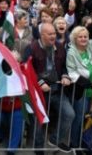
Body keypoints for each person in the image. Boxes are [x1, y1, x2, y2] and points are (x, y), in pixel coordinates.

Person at [26, 23, 74, 153]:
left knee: (69, 114)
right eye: (50, 34)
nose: (54, 36)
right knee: (38, 122)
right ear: (42, 35)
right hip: (39, 92)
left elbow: (65, 65)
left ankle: (54, 139)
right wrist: (40, 83)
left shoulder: (60, 47)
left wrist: (65, 76)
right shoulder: (31, 48)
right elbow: (28, 69)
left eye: (54, 33)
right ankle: (39, 148)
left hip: (57, 90)